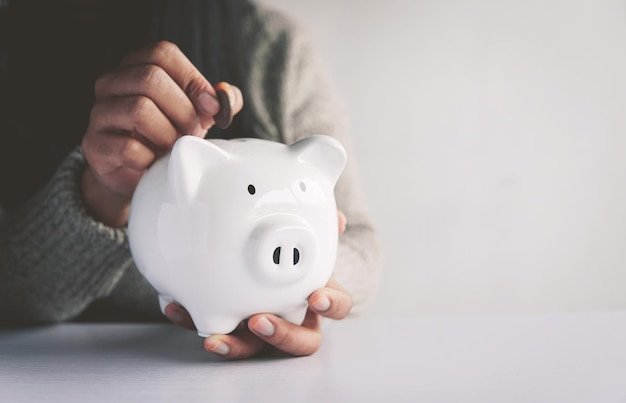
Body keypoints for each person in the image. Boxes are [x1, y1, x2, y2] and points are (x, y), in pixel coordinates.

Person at [0, 0, 381, 359]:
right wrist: (99, 197)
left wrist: (305, 290)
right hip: (57, 366)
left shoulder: (274, 47)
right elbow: (11, 293)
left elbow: (360, 249)